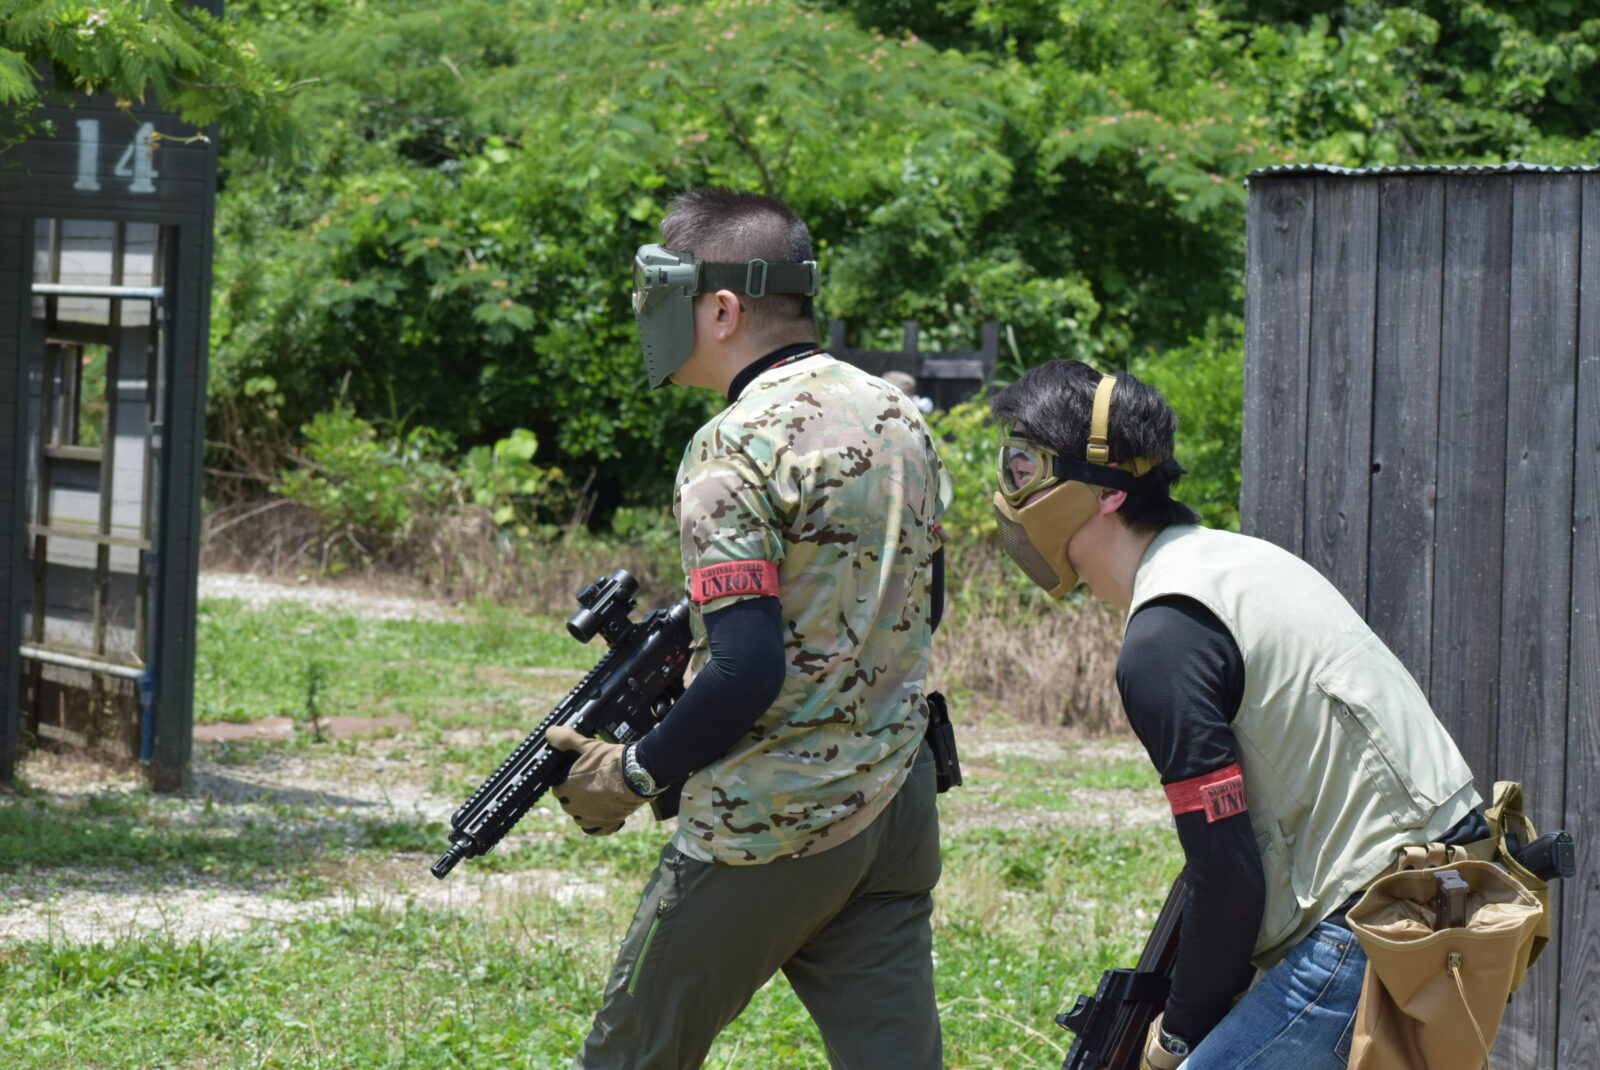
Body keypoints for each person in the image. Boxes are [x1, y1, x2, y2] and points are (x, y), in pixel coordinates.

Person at [546, 187, 951, 1070]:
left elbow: (745, 670)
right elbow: (927, 603)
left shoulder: (733, 445)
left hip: (770, 825)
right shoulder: (898, 417)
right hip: (895, 808)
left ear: (722, 309)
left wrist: (630, 773)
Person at [987, 360, 1485, 1070]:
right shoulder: (1235, 561)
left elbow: (1227, 878)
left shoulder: (1163, 641)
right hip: (1447, 890)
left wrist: (1175, 1039)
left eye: (1025, 468)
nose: (1011, 495)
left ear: (1104, 491)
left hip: (1374, 924)